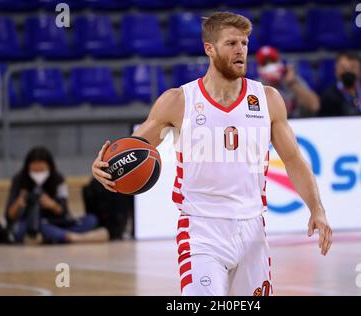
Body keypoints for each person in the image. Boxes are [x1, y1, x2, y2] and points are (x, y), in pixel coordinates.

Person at [92, 12, 332, 296]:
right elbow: (134, 149)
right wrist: (105, 166)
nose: (241, 49)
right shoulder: (179, 101)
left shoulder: (267, 99)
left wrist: (317, 208)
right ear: (209, 48)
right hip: (201, 230)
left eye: (244, 43)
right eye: (231, 43)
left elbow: (293, 160)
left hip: (253, 230)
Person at [5, 146, 109, 244]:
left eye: (41, 170)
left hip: (56, 223)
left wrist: (52, 205)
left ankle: (55, 237)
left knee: (91, 219)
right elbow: (9, 216)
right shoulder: (19, 180)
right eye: (34, 171)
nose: (37, 174)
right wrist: (19, 203)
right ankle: (72, 238)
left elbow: (64, 212)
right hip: (31, 223)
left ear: (49, 167)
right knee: (22, 229)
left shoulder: (58, 180)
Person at [256, 45, 320, 118]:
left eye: (272, 61)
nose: (270, 67)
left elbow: (314, 106)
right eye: (265, 64)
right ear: (259, 68)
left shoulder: (292, 79)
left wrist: (292, 83)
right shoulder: (257, 87)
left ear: (279, 62)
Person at [319, 52, 361, 116]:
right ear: (336, 71)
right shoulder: (328, 96)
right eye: (343, 68)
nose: (348, 71)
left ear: (360, 71)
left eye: (352, 68)